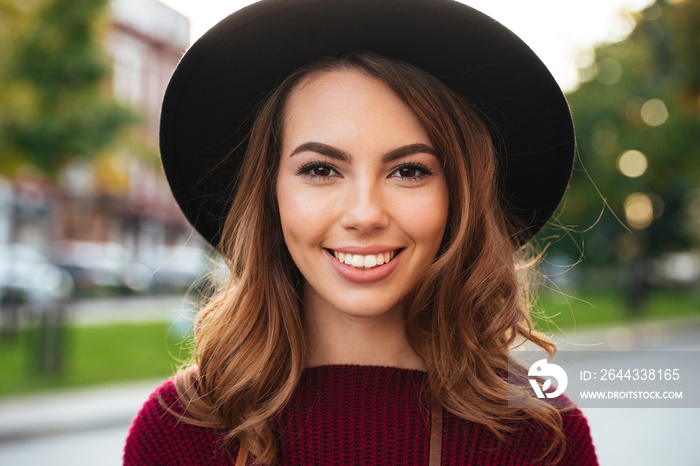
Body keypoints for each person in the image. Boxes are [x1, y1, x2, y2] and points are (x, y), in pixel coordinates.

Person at [124, 0, 598, 464]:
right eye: (321, 169)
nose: (365, 214)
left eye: (409, 171)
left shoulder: (541, 435)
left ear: (459, 196)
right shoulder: (180, 432)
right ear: (270, 194)